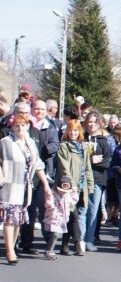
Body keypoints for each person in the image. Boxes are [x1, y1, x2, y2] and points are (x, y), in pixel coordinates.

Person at [0, 114, 51, 264]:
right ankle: (10, 251)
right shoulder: (6, 142)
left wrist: (46, 185)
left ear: (28, 126)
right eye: (17, 125)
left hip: (25, 187)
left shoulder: (30, 142)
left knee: (17, 220)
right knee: (9, 219)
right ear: (12, 127)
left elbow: (38, 165)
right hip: (9, 185)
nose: (20, 128)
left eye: (23, 125)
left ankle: (12, 247)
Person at [19, 100, 60, 254]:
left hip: (45, 171)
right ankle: (27, 242)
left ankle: (48, 239)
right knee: (28, 208)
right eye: (37, 108)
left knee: (45, 208)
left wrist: (43, 150)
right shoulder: (26, 126)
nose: (40, 111)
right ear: (32, 109)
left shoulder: (50, 126)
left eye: (43, 109)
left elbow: (55, 144)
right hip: (27, 174)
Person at [56, 120, 94, 256]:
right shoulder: (64, 147)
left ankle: (64, 245)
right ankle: (78, 243)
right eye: (71, 130)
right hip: (68, 187)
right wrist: (71, 185)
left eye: (76, 130)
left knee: (71, 216)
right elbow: (63, 167)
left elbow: (87, 168)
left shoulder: (83, 147)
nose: (73, 133)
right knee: (73, 215)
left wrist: (90, 186)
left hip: (81, 186)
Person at [82, 111, 110, 251]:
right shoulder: (81, 139)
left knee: (93, 210)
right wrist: (90, 160)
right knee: (81, 209)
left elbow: (106, 162)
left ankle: (89, 239)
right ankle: (79, 239)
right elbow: (76, 159)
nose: (91, 124)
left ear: (99, 124)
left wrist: (93, 163)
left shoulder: (103, 141)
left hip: (98, 179)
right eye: (89, 122)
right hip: (81, 179)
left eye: (94, 122)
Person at [42, 176, 78, 260]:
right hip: (53, 217)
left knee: (56, 235)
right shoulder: (53, 194)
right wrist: (50, 204)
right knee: (55, 234)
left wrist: (74, 193)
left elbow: (73, 201)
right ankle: (48, 251)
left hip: (62, 218)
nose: (63, 192)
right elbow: (49, 203)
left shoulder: (67, 195)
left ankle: (48, 250)